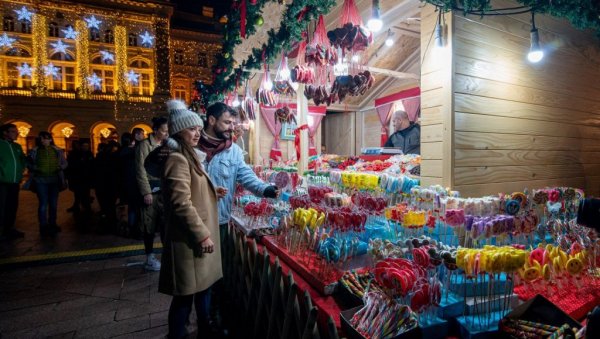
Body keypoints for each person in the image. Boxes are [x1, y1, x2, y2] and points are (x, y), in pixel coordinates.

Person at [159, 100, 223, 339]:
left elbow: (192, 191)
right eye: (191, 129)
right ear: (178, 131)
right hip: (189, 242)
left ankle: (203, 329)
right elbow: (180, 203)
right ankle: (178, 335)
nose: (197, 133)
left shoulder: (190, 156)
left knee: (201, 290)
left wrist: (212, 191)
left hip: (194, 242)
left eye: (198, 128)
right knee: (185, 297)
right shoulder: (177, 159)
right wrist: (202, 234)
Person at [199, 102, 280, 240]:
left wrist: (266, 189)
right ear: (212, 120)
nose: (232, 128)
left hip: (220, 220)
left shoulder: (233, 151)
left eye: (232, 123)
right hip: (195, 219)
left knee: (218, 261)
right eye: (227, 122)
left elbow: (247, 176)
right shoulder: (193, 147)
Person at [135, 116, 168, 271]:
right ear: (155, 130)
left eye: (168, 131)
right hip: (151, 190)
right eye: (164, 130)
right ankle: (149, 257)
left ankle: (166, 256)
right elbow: (140, 171)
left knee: (164, 224)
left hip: (165, 191)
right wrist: (146, 192)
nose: (166, 133)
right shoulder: (144, 145)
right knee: (149, 225)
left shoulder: (167, 145)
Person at [27, 132, 67, 236]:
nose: (43, 141)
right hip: (40, 180)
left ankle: (53, 223)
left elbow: (64, 163)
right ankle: (43, 225)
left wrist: (60, 168)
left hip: (54, 180)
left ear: (50, 139)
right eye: (41, 139)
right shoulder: (35, 151)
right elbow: (29, 164)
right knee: (43, 203)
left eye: (45, 139)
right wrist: (36, 168)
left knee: (53, 204)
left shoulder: (57, 150)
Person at [0, 123, 26, 240]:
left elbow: (22, 160)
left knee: (12, 206)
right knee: (2, 206)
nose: (17, 133)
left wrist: (21, 171)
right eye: (14, 131)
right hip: (2, 182)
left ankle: (9, 229)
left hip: (15, 181)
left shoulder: (17, 146)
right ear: (5, 133)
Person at [119, 132, 140, 237]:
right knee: (134, 208)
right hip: (133, 183)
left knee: (131, 207)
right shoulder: (132, 152)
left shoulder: (121, 151)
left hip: (125, 183)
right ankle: (134, 229)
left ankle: (131, 228)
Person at [66, 139, 94, 214]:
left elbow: (91, 165)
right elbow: (72, 165)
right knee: (78, 193)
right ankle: (77, 206)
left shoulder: (89, 153)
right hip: (78, 177)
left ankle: (86, 207)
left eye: (87, 146)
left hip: (86, 177)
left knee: (86, 192)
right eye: (84, 146)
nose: (86, 147)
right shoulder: (75, 154)